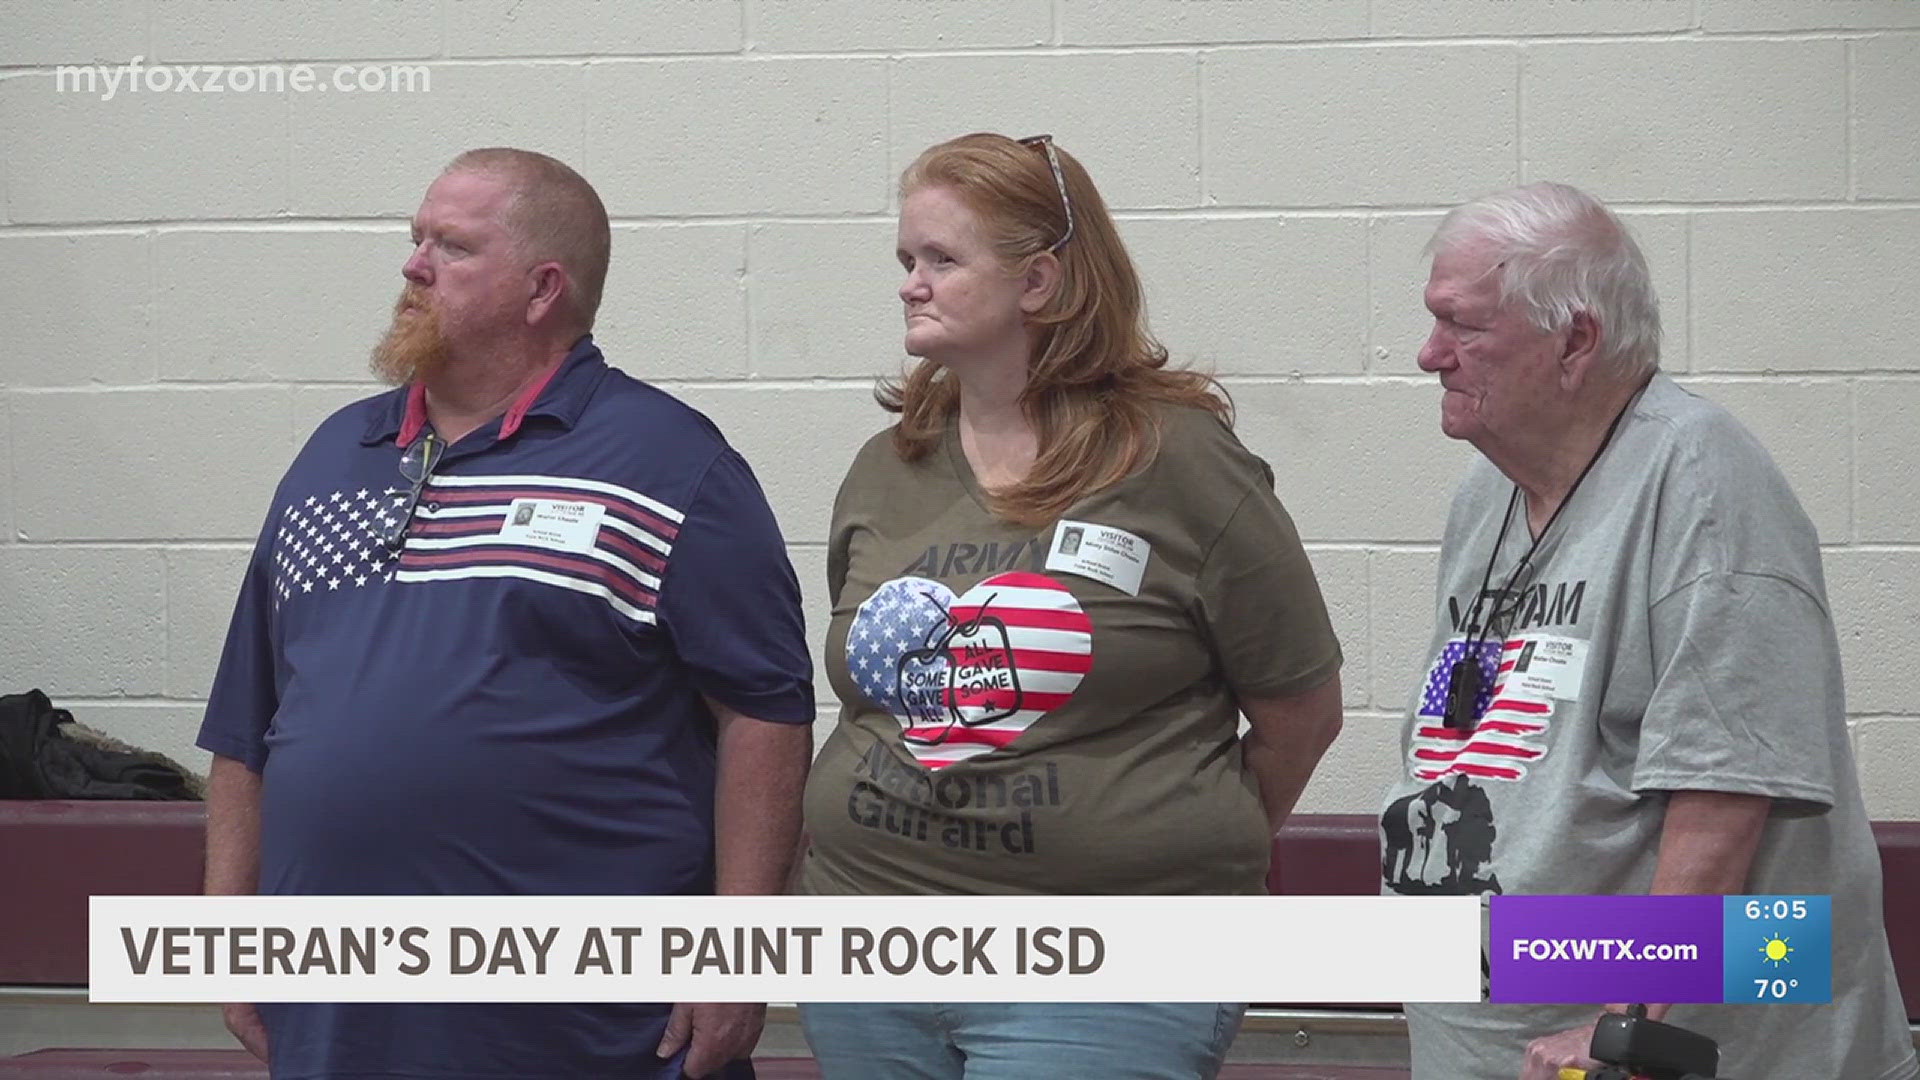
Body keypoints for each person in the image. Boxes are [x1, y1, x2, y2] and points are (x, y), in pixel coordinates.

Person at [197, 147, 814, 1080]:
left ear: (541, 289)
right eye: (416, 239)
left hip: (586, 1027)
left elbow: (765, 712)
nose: (413, 265)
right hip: (341, 1017)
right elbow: (247, 727)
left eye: (452, 245)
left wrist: (741, 957)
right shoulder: (333, 457)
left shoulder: (668, 464)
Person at [794, 132, 1346, 1078]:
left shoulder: (1179, 460)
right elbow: (866, 702)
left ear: (1039, 283)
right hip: (872, 945)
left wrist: (1144, 841)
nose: (909, 284)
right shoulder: (890, 465)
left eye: (940, 260)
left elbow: (1302, 713)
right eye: (906, 260)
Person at [1380, 180, 1917, 1080]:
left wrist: (1629, 1017)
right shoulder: (1489, 495)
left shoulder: (1703, 485)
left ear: (1575, 340)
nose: (1430, 354)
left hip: (1649, 1048)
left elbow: (1725, 788)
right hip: (1497, 1029)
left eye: (1462, 325)